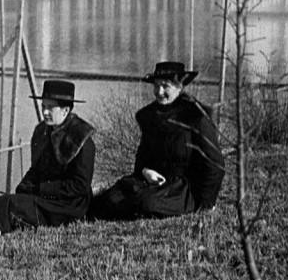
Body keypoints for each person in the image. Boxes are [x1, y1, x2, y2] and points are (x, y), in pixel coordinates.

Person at [91, 61, 225, 220]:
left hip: (183, 189)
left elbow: (215, 165)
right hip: (150, 182)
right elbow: (141, 160)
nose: (159, 92)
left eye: (165, 86)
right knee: (109, 199)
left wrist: (206, 204)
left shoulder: (196, 116)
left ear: (179, 87)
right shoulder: (149, 116)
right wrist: (146, 172)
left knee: (147, 203)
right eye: (156, 86)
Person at [0, 80, 96, 233]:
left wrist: (41, 189)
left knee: (9, 204)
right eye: (43, 107)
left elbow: (80, 186)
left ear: (65, 110)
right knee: (0, 199)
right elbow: (37, 169)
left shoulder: (81, 138)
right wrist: (24, 187)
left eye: (50, 108)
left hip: (69, 207)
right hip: (46, 199)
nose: (45, 112)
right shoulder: (43, 131)